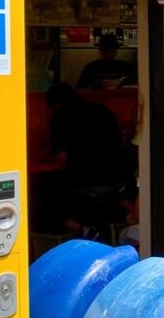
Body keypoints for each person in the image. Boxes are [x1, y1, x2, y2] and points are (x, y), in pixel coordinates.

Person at [42, 83, 131, 238]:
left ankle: (79, 227)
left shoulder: (60, 118)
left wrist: (48, 154)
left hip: (87, 187)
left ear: (56, 104)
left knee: (42, 193)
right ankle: (92, 227)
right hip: (119, 184)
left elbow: (62, 158)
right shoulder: (103, 110)